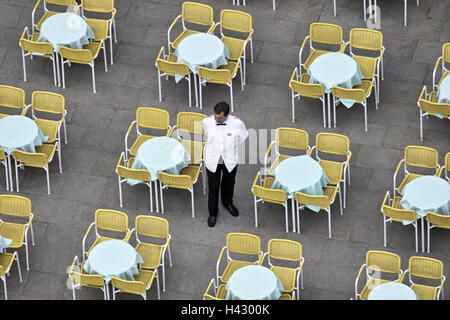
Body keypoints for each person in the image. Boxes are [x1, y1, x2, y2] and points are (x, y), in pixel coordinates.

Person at [202, 101, 248, 227]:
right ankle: (213, 213)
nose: (216, 119)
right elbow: (206, 135)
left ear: (226, 115)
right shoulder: (207, 122)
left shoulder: (238, 124)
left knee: (229, 183)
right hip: (213, 159)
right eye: (215, 116)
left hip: (230, 159)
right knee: (213, 187)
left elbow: (243, 137)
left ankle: (227, 202)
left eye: (219, 118)